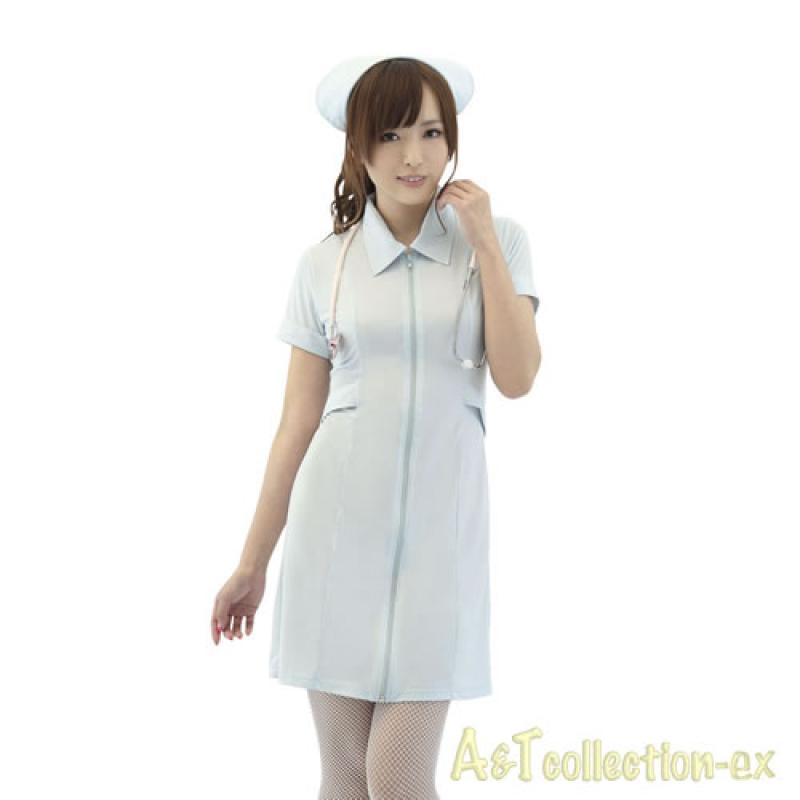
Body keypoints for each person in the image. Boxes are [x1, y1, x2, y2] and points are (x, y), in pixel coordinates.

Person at [210, 55, 542, 799]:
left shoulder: (499, 240)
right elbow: (297, 426)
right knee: (346, 775)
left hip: (440, 547)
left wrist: (485, 242)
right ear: (358, 148)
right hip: (336, 538)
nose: (413, 155)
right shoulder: (323, 265)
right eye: (389, 136)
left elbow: (518, 377)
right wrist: (252, 565)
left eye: (430, 132)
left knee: (396, 777)